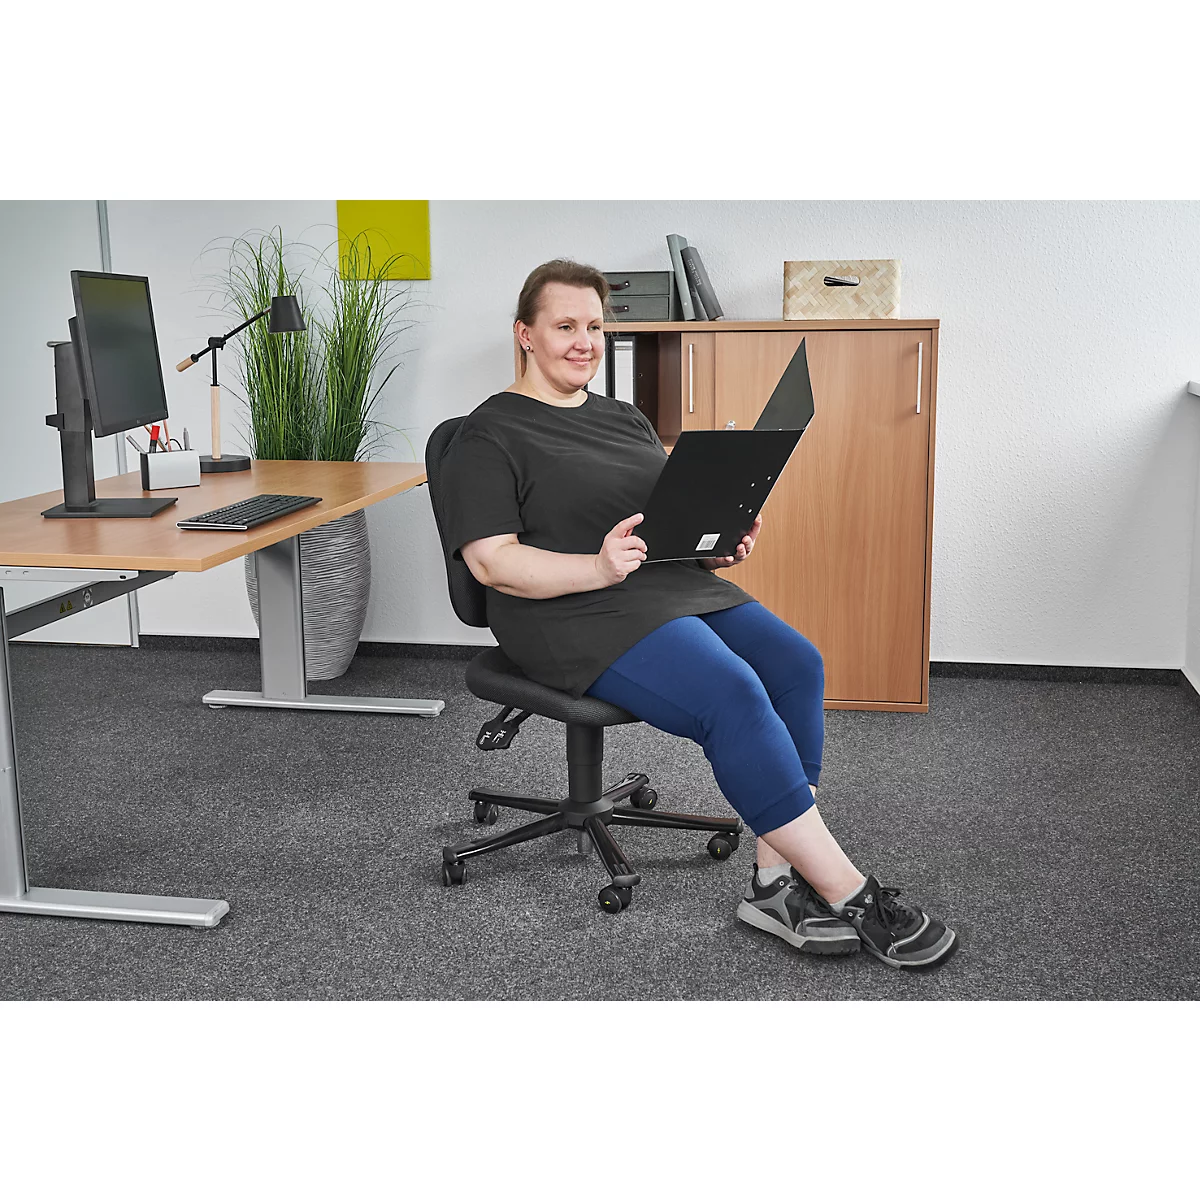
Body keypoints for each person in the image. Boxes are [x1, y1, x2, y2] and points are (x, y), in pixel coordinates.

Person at [440, 258, 957, 970]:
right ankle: (850, 893)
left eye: (594, 325)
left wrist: (715, 541)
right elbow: (492, 562)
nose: (584, 340)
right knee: (731, 691)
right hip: (566, 609)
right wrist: (593, 567)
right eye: (565, 326)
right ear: (525, 334)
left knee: (796, 665)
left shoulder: (622, 417)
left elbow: (661, 521)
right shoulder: (487, 433)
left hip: (668, 586)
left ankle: (775, 881)